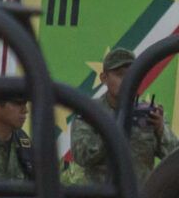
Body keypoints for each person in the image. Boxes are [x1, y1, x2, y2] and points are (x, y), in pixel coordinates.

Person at [68, 45, 173, 186]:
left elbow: (174, 157)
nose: (127, 81)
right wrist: (113, 130)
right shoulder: (90, 112)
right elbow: (82, 156)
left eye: (132, 75)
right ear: (104, 78)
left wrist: (160, 129)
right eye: (120, 75)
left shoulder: (149, 114)